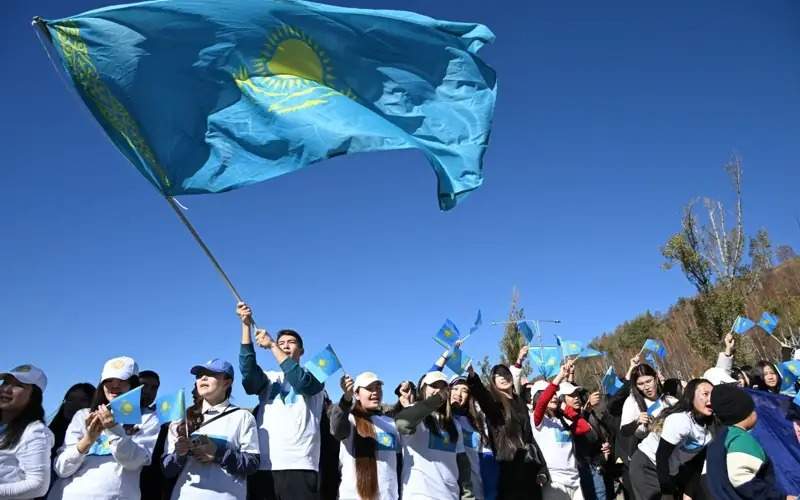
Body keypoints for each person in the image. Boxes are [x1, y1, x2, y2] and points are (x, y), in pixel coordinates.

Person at [236, 302, 325, 500]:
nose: (285, 344)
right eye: (281, 341)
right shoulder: (269, 378)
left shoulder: (317, 376)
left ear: (301, 351)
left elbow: (300, 382)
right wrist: (245, 326)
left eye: (291, 342)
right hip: (264, 467)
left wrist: (273, 346)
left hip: (300, 465)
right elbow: (249, 376)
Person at [50, 356, 160, 499]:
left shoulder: (147, 418)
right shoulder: (83, 415)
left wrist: (113, 428)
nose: (114, 386)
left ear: (132, 384)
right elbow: (61, 469)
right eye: (108, 381)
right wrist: (88, 440)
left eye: (121, 381)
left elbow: (133, 462)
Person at [163, 358, 260, 499]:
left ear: (227, 382)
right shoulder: (180, 421)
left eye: (211, 374)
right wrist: (180, 455)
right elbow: (167, 470)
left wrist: (218, 453)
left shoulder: (243, 417)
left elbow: (252, 464)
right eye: (199, 375)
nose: (203, 378)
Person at [466, 362, 546, 500]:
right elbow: (483, 397)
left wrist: (542, 468)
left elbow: (530, 438)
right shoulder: (494, 405)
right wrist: (473, 376)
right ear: (493, 381)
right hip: (509, 468)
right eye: (498, 375)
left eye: (505, 373)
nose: (503, 377)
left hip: (529, 468)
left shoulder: (520, 402)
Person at [706, 384, 797, 500]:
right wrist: (780, 498)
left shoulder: (718, 440)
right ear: (745, 413)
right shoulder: (740, 439)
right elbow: (740, 478)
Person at [629, 378, 714, 500]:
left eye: (713, 395)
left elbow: (697, 465)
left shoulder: (709, 431)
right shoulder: (682, 420)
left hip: (669, 471)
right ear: (691, 396)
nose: (710, 399)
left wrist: (688, 494)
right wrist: (667, 492)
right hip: (648, 465)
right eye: (705, 394)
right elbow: (661, 456)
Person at [395, 371, 467, 500]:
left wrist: (467, 495)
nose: (438, 390)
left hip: (450, 495)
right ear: (423, 390)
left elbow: (462, 465)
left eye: (442, 387)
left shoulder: (454, 425)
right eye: (433, 386)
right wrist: (438, 398)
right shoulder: (414, 413)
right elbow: (402, 423)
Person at [329, 371, 399, 500]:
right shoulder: (350, 419)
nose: (375, 392)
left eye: (378, 388)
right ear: (357, 394)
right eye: (369, 389)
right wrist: (346, 398)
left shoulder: (390, 423)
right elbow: (337, 429)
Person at [530, 359, 586, 500]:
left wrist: (565, 409)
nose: (553, 396)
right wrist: (560, 377)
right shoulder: (537, 420)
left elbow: (584, 428)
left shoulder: (562, 420)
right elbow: (543, 402)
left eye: (556, 394)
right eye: (550, 393)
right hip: (554, 481)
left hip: (575, 479)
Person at [0, 364, 54, 499]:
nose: (6, 389)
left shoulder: (35, 432)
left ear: (33, 397)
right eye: (5, 382)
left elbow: (38, 486)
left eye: (18, 385)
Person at [450, 376, 488, 500]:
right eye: (455, 389)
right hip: (450, 490)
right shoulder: (441, 421)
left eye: (464, 390)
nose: (459, 394)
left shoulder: (475, 421)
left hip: (475, 490)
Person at [139, 370, 170, 500]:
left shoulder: (161, 419)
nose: (148, 391)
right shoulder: (112, 415)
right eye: (143, 386)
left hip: (149, 487)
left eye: (154, 388)